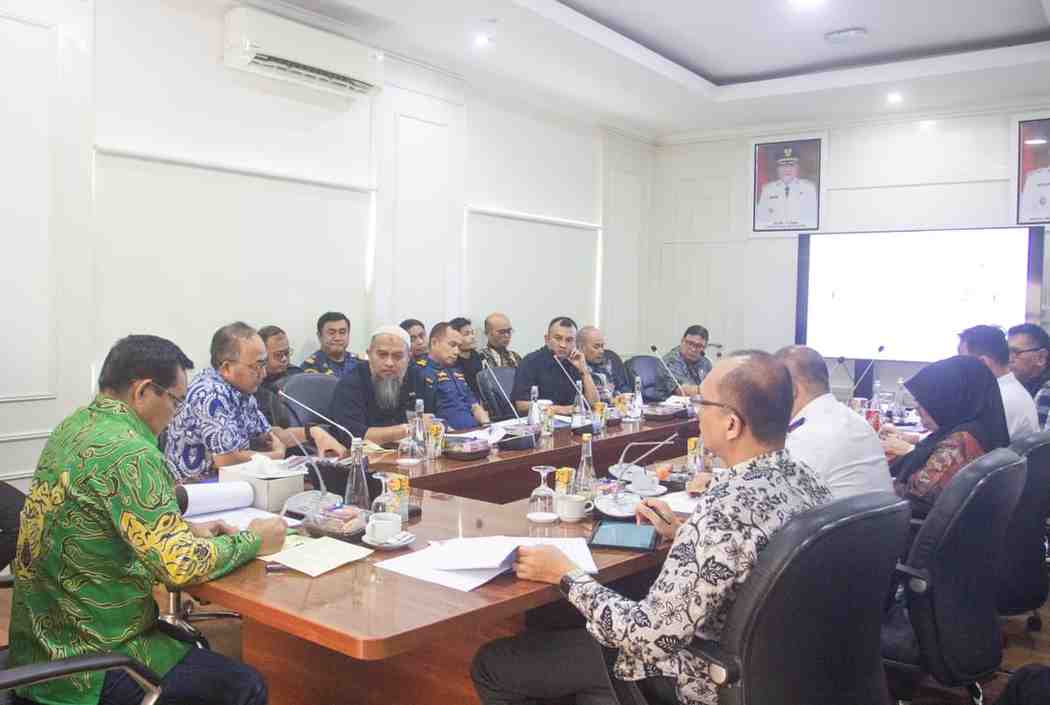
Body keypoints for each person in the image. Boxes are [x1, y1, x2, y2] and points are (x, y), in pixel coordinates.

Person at [471, 351, 832, 705]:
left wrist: (565, 574)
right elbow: (752, 552)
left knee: (493, 665)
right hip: (783, 671)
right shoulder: (805, 480)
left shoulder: (725, 509)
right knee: (561, 634)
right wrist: (683, 534)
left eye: (703, 404)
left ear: (732, 424)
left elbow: (649, 636)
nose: (695, 413)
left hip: (698, 677)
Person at [9, 334, 287, 705]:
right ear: (143, 391)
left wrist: (183, 529)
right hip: (91, 667)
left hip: (39, 650)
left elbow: (97, 519)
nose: (176, 414)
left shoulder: (73, 429)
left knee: (196, 649)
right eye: (175, 401)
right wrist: (254, 539)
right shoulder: (133, 452)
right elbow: (180, 568)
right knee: (245, 685)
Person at [164, 322, 345, 481]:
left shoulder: (241, 391)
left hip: (230, 482)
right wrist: (275, 457)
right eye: (257, 366)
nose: (264, 373)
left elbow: (271, 436)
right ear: (227, 367)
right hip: (195, 488)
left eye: (264, 364)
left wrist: (313, 432)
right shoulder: (211, 393)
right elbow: (226, 460)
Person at [883, 356, 1010, 517]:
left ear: (948, 399)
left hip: (912, 528)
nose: (917, 407)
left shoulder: (960, 441)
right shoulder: (979, 426)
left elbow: (917, 497)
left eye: (925, 399)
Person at [775, 345, 892, 499]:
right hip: (873, 521)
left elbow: (777, 497)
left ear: (792, 390)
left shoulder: (807, 435)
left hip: (837, 521)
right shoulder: (854, 420)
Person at [329, 326, 422, 445]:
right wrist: (407, 430)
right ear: (369, 354)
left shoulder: (416, 378)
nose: (389, 363)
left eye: (397, 356)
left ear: (409, 357)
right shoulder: (351, 383)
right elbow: (352, 436)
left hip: (407, 456)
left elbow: (432, 419)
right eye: (382, 355)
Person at [958, 325, 1038, 441]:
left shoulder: (998, 399)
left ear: (983, 363)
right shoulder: (1010, 389)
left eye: (962, 362)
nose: (959, 368)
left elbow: (969, 449)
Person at [511, 317, 599, 415]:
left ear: (575, 343)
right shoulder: (530, 362)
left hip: (574, 422)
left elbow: (593, 404)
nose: (563, 345)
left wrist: (584, 371)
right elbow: (521, 405)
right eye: (558, 338)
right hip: (543, 422)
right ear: (547, 339)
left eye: (569, 340)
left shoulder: (576, 362)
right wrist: (560, 409)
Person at [417, 322, 490, 430]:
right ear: (434, 343)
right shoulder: (420, 371)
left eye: (459, 347)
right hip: (447, 436)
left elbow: (474, 406)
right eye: (452, 345)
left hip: (474, 432)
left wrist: (487, 426)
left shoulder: (457, 371)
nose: (456, 352)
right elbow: (423, 416)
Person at [754, 146, 818, 229]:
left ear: (797, 168)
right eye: (783, 166)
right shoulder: (767, 189)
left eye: (791, 165)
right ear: (777, 169)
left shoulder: (809, 188)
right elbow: (760, 219)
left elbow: (813, 219)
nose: (787, 169)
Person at [253, 325, 302, 428]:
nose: (284, 359)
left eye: (287, 353)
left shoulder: (298, 375)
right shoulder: (253, 385)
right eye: (278, 355)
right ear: (262, 355)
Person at [1008, 323, 1050, 427]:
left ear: (1041, 357)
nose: (1009, 359)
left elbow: (1039, 441)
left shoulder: (1046, 392)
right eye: (1007, 352)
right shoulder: (1017, 386)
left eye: (1015, 352)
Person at [658, 325, 713, 398]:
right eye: (690, 343)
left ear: (704, 347)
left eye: (698, 346)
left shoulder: (705, 362)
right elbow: (681, 390)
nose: (693, 349)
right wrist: (711, 390)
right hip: (673, 406)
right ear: (682, 341)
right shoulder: (670, 361)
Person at [578, 326, 631, 401]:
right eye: (596, 347)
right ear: (581, 348)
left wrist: (624, 397)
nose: (601, 351)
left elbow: (624, 389)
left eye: (602, 346)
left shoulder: (611, 359)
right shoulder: (576, 366)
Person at [302, 311, 358, 378]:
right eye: (331, 333)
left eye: (342, 332)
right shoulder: (310, 368)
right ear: (320, 336)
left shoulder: (360, 363)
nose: (337, 338)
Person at [449, 316, 484, 399]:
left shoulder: (476, 356)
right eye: (467, 334)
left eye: (472, 333)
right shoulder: (452, 360)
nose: (472, 337)